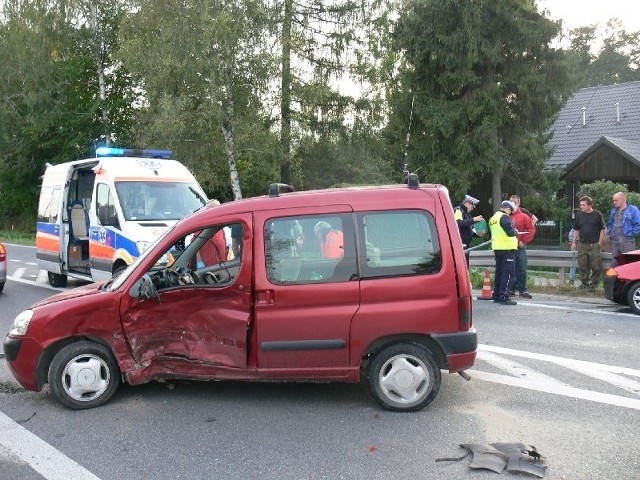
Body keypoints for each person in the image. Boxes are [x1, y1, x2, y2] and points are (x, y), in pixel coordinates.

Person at [571, 196, 605, 289]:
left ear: (589, 205)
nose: (581, 206)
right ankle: (584, 283)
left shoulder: (597, 215)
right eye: (580, 204)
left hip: (594, 244)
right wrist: (573, 242)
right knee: (582, 265)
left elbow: (602, 229)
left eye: (583, 205)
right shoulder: (579, 215)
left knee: (596, 266)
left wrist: (600, 242)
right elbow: (576, 230)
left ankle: (594, 284)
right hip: (582, 244)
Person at [489, 200, 518, 305]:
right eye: (510, 210)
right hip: (507, 248)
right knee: (507, 273)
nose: (510, 213)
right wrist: (515, 232)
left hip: (497, 248)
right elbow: (510, 232)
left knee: (499, 272)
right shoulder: (504, 217)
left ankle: (497, 295)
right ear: (507, 208)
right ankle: (504, 296)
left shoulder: (493, 218)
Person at [508, 195, 536, 299]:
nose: (513, 204)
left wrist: (524, 242)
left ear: (519, 204)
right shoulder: (505, 216)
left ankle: (523, 290)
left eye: (515, 202)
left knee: (521, 268)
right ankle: (510, 289)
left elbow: (531, 230)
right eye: (511, 202)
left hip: (519, 247)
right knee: (510, 269)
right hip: (508, 247)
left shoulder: (524, 216)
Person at [607, 192, 640, 267]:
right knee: (614, 263)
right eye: (613, 200)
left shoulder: (633, 210)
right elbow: (610, 223)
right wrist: (610, 233)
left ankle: (628, 279)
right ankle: (616, 279)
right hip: (615, 241)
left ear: (623, 199)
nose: (614, 202)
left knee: (628, 262)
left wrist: (631, 234)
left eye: (616, 200)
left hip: (627, 241)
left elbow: (638, 224)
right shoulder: (614, 210)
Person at [454, 194, 485, 266]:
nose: (473, 208)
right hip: (460, 244)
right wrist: (473, 219)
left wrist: (478, 234)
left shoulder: (467, 214)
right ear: (467, 203)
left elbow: (469, 229)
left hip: (466, 244)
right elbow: (458, 223)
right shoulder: (459, 210)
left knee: (466, 266)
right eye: (472, 206)